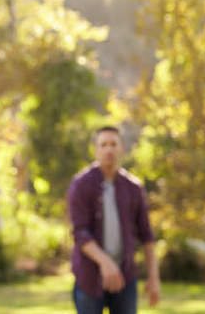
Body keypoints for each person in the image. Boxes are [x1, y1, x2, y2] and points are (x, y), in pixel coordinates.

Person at [67, 126, 161, 314]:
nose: (108, 149)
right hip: (90, 277)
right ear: (96, 150)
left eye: (113, 144)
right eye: (103, 145)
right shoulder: (81, 184)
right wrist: (105, 262)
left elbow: (146, 234)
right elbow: (80, 232)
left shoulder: (134, 187)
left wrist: (154, 277)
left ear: (122, 148)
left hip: (125, 276)